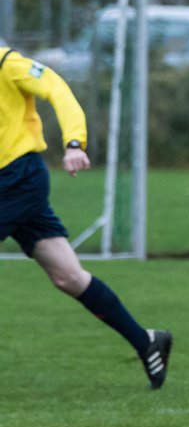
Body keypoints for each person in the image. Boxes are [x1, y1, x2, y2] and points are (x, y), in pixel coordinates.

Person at [0, 43, 173, 387]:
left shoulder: (7, 63)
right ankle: (146, 342)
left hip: (18, 178)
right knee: (68, 277)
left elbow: (58, 90)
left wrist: (74, 142)